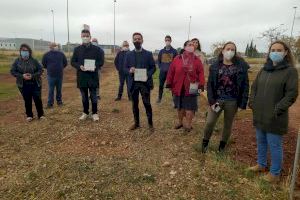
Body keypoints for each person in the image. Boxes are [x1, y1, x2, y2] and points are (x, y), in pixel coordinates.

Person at [247, 40, 298, 183]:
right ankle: (261, 165)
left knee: (274, 144)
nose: (275, 53)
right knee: (261, 141)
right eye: (273, 50)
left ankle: (275, 173)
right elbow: (254, 88)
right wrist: (252, 102)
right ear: (269, 52)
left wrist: (278, 109)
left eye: (279, 50)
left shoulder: (290, 71)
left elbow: (291, 94)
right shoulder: (264, 70)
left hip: (276, 116)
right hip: (260, 114)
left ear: (286, 52)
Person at [199, 41, 249, 153]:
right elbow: (210, 85)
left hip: (232, 102)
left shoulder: (240, 67)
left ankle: (222, 146)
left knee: (228, 124)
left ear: (235, 52)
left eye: (232, 49)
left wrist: (242, 103)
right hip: (217, 101)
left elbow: (245, 86)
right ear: (223, 51)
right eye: (228, 49)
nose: (230, 51)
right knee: (210, 122)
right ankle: (205, 143)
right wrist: (211, 101)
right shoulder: (216, 66)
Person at [166, 40, 205, 132]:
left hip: (193, 86)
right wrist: (169, 83)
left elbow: (201, 73)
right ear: (184, 47)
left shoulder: (197, 59)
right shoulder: (177, 58)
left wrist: (201, 84)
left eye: (192, 45)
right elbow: (171, 71)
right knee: (179, 107)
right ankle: (180, 122)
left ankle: (188, 124)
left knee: (190, 107)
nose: (191, 46)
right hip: (178, 86)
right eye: (189, 45)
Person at [124, 32, 156, 131]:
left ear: (142, 40)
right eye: (135, 39)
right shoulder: (129, 54)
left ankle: (150, 124)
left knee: (147, 103)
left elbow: (153, 67)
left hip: (144, 83)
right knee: (134, 104)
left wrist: (148, 75)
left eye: (139, 39)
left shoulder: (148, 54)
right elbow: (124, 67)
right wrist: (129, 70)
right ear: (133, 41)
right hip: (133, 83)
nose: (137, 40)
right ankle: (136, 123)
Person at [71, 29, 104, 121]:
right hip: (82, 76)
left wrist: (95, 66)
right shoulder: (77, 49)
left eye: (87, 36)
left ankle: (94, 113)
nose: (85, 37)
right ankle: (85, 112)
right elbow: (73, 62)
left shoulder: (97, 49)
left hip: (93, 76)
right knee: (84, 97)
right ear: (81, 37)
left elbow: (101, 61)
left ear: (90, 37)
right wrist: (79, 66)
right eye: (83, 36)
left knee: (94, 96)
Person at [11, 44, 45, 122]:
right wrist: (22, 76)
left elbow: (41, 70)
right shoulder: (17, 61)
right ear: (20, 51)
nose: (24, 52)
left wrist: (32, 76)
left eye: (26, 51)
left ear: (29, 52)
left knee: (37, 99)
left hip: (35, 83)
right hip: (23, 84)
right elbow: (13, 71)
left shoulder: (34, 60)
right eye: (23, 50)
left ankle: (41, 115)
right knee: (27, 100)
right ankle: (29, 115)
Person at [42, 42, 67, 108]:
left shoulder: (61, 54)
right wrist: (50, 68)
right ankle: (50, 103)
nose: (55, 47)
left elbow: (65, 63)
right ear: (50, 47)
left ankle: (59, 102)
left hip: (59, 75)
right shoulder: (46, 55)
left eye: (56, 45)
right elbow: (44, 64)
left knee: (59, 89)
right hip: (51, 75)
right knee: (51, 90)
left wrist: (60, 67)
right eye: (53, 46)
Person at [157, 35, 178, 103]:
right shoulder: (161, 51)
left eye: (168, 40)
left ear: (171, 41)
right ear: (165, 41)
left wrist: (173, 70)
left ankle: (174, 100)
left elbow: (176, 62)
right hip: (162, 72)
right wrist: (160, 67)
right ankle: (159, 98)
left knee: (172, 86)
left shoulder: (174, 51)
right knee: (161, 85)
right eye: (166, 40)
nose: (167, 41)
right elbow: (158, 61)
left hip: (171, 73)